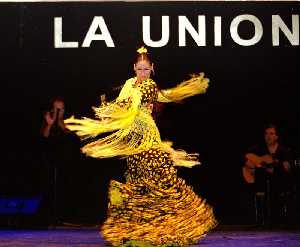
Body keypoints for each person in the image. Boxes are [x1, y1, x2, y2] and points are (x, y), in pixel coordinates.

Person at [65, 46, 217, 246]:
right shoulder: (129, 83)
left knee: (158, 178)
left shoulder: (150, 86)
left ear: (152, 68)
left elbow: (136, 102)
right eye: (139, 69)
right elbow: (122, 104)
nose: (143, 73)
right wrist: (108, 110)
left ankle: (173, 225)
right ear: (134, 68)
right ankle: (143, 228)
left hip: (148, 135)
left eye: (146, 69)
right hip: (134, 139)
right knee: (138, 180)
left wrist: (115, 109)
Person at [39, 96, 82, 226]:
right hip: (48, 157)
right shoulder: (47, 117)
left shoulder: (64, 120)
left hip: (63, 157)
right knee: (49, 184)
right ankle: (48, 215)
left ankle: (62, 215)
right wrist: (50, 124)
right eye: (57, 108)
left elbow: (67, 132)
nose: (59, 110)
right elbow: (44, 136)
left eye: (61, 108)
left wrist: (59, 120)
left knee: (63, 185)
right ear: (53, 107)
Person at [243, 124, 292, 225]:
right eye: (266, 134)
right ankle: (261, 221)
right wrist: (257, 165)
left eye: (271, 134)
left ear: (277, 137)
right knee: (260, 178)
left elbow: (288, 170)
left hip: (277, 183)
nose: (268, 136)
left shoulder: (284, 151)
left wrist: (287, 166)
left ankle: (279, 220)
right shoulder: (258, 149)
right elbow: (247, 156)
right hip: (261, 183)